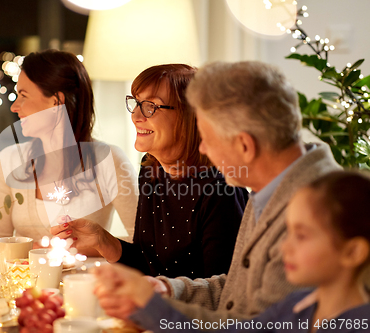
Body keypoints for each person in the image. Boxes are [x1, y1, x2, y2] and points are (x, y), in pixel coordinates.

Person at [91, 61, 342, 323]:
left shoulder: (314, 213)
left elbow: (259, 329)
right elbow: (237, 291)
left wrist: (155, 309)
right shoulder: (272, 190)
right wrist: (168, 290)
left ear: (244, 145)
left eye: (208, 138)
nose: (203, 150)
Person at [94, 171, 370, 333]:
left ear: (353, 252)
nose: (285, 246)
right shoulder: (297, 307)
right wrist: (150, 303)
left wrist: (151, 305)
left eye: (301, 236)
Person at [52, 64, 248, 278]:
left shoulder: (221, 192)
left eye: (151, 106)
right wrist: (103, 240)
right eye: (137, 103)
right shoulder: (151, 170)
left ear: (189, 116)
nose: (136, 116)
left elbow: (221, 294)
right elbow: (148, 264)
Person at [0, 50, 138, 254]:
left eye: (23, 95)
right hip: (27, 286)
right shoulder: (10, 160)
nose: (14, 106)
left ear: (56, 101)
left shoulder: (109, 160)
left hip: (86, 284)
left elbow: (142, 243)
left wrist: (73, 248)